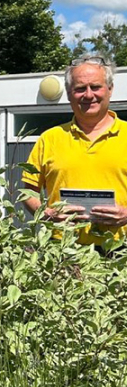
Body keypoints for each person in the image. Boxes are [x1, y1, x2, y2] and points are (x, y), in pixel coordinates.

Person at [22, 54, 127, 246]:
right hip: (63, 254)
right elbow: (28, 192)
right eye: (80, 89)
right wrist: (47, 214)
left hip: (121, 251)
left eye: (95, 87)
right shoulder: (50, 138)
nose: (88, 95)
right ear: (70, 94)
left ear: (110, 89)